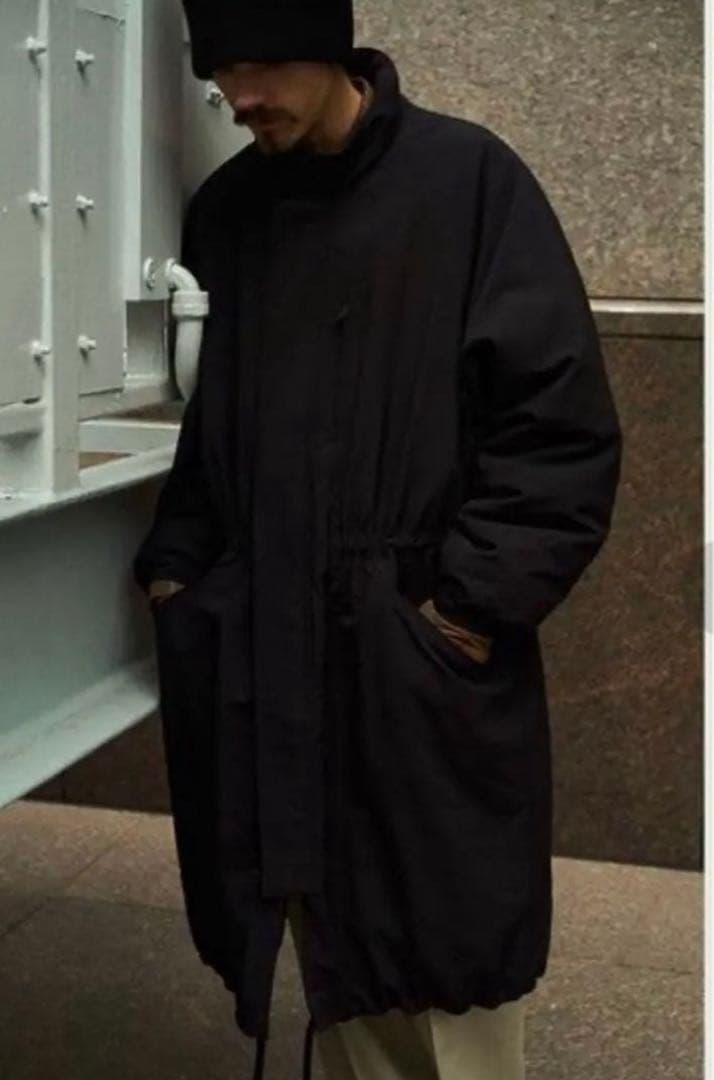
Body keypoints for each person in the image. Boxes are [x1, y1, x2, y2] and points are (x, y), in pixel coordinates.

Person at [133, 2, 623, 1078]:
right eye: (222, 74)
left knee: (448, 950)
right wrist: (179, 572)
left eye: (264, 65)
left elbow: (558, 427)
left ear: (328, 45)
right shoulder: (231, 209)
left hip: (415, 649)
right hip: (271, 643)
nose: (241, 98)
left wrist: (463, 612)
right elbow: (207, 432)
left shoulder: (468, 182)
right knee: (329, 946)